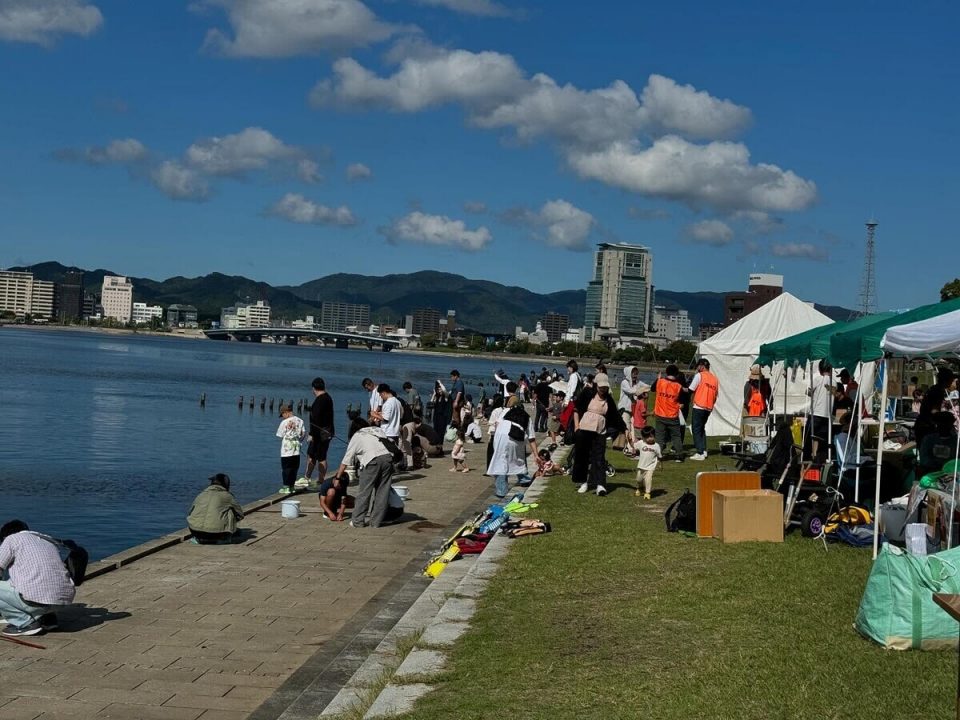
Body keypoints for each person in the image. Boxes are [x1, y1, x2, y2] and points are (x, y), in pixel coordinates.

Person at [0, 520, 76, 637]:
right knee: (30, 580)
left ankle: (24, 623)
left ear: (5, 535)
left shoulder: (11, 539)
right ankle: (48, 619)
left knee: (26, 585)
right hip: (62, 600)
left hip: (36, 600)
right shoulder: (47, 541)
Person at [331, 417, 394, 528]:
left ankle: (358, 521)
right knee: (382, 492)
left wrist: (338, 477)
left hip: (372, 461)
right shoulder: (377, 429)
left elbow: (346, 460)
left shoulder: (357, 435)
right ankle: (376, 522)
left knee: (364, 492)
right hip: (388, 459)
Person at [572, 373, 625, 495]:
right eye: (601, 387)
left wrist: (625, 428)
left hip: (600, 430)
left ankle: (600, 484)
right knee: (583, 457)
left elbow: (615, 415)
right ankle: (583, 482)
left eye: (605, 387)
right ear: (596, 385)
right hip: (584, 428)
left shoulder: (608, 399)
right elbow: (576, 409)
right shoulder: (587, 393)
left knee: (599, 457)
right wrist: (576, 426)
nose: (603, 390)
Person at [486, 395, 539, 497]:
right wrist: (535, 455)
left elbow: (497, 425)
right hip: (516, 437)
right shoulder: (526, 416)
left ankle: (501, 491)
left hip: (501, 436)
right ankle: (524, 479)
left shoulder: (504, 412)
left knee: (500, 462)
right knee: (518, 458)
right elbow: (531, 438)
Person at [187, 473, 244, 544]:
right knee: (230, 511)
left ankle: (200, 539)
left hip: (195, 532)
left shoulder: (201, 494)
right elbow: (240, 514)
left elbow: (189, 512)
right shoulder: (228, 496)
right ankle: (224, 537)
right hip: (217, 534)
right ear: (226, 484)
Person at [687, 358, 719, 461]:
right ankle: (704, 450)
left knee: (696, 429)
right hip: (708, 407)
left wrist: (681, 388)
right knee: (701, 428)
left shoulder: (699, 375)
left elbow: (690, 389)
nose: (697, 369)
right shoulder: (714, 379)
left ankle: (700, 452)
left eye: (698, 366)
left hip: (699, 405)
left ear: (702, 366)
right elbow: (715, 395)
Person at [916, 368, 957, 446]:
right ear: (946, 380)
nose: (952, 382)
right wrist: (946, 417)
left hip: (923, 424)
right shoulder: (937, 391)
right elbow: (934, 411)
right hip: (926, 426)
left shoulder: (934, 389)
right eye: (951, 380)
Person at [652, 365, 684, 462]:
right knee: (676, 436)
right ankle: (679, 455)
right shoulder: (678, 386)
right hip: (672, 415)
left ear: (667, 372)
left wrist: (658, 378)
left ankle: (658, 455)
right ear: (676, 374)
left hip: (660, 414)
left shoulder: (660, 381)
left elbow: (652, 389)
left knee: (659, 436)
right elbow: (682, 401)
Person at [306, 377, 334, 483]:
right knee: (318, 455)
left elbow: (316, 419)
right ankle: (318, 479)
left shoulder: (319, 400)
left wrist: (311, 434)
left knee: (316, 456)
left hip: (320, 433)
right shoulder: (328, 397)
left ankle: (309, 478)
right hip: (327, 432)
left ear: (314, 388)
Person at [805, 360, 833, 462]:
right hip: (827, 416)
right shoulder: (834, 382)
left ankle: (808, 459)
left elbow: (808, 392)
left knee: (809, 439)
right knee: (821, 439)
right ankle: (819, 459)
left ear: (820, 369)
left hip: (816, 414)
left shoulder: (817, 379)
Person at [918, 412, 959, 478]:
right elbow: (924, 459)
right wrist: (937, 464)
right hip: (931, 473)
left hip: (951, 474)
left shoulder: (956, 441)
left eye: (947, 424)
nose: (944, 426)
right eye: (940, 424)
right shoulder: (929, 439)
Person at [276, 403, 305, 495]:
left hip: (286, 450)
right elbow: (303, 434)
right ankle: (292, 486)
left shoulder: (284, 422)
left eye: (283, 415)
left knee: (286, 468)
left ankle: (286, 487)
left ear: (286, 412)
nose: (283, 417)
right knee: (294, 468)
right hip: (296, 449)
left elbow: (280, 435)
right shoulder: (300, 421)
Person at [635, 426, 662, 500]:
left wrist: (660, 464)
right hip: (641, 466)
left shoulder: (656, 446)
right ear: (643, 438)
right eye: (647, 437)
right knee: (638, 479)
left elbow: (659, 456)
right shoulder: (641, 443)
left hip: (650, 467)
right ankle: (640, 488)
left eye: (651, 436)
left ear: (654, 436)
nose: (649, 439)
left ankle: (647, 493)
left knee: (648, 479)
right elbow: (634, 447)